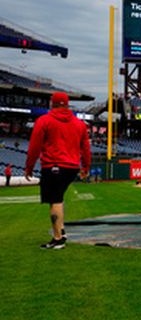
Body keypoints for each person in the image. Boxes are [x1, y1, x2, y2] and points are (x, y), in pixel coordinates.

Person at [25, 92, 90, 249]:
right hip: (72, 167)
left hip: (53, 165)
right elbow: (86, 148)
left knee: (54, 200)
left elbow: (34, 146)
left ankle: (58, 238)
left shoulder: (44, 120)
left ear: (51, 103)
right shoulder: (80, 124)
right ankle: (61, 231)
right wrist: (86, 167)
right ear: (67, 104)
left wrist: (29, 167)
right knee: (58, 198)